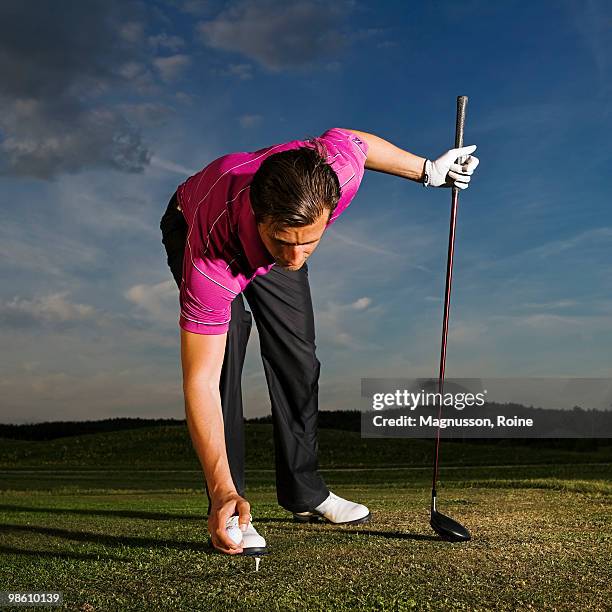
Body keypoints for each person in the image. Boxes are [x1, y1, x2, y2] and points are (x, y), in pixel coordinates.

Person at [160, 127, 480, 556]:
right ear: (258, 217)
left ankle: (305, 493)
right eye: (282, 243)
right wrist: (220, 490)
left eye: (309, 243)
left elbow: (356, 142)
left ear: (330, 211)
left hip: (277, 213)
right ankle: (231, 503)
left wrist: (427, 170)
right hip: (194, 222)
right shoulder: (211, 261)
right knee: (226, 352)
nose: (294, 258)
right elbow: (198, 382)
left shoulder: (339, 172)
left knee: (298, 357)